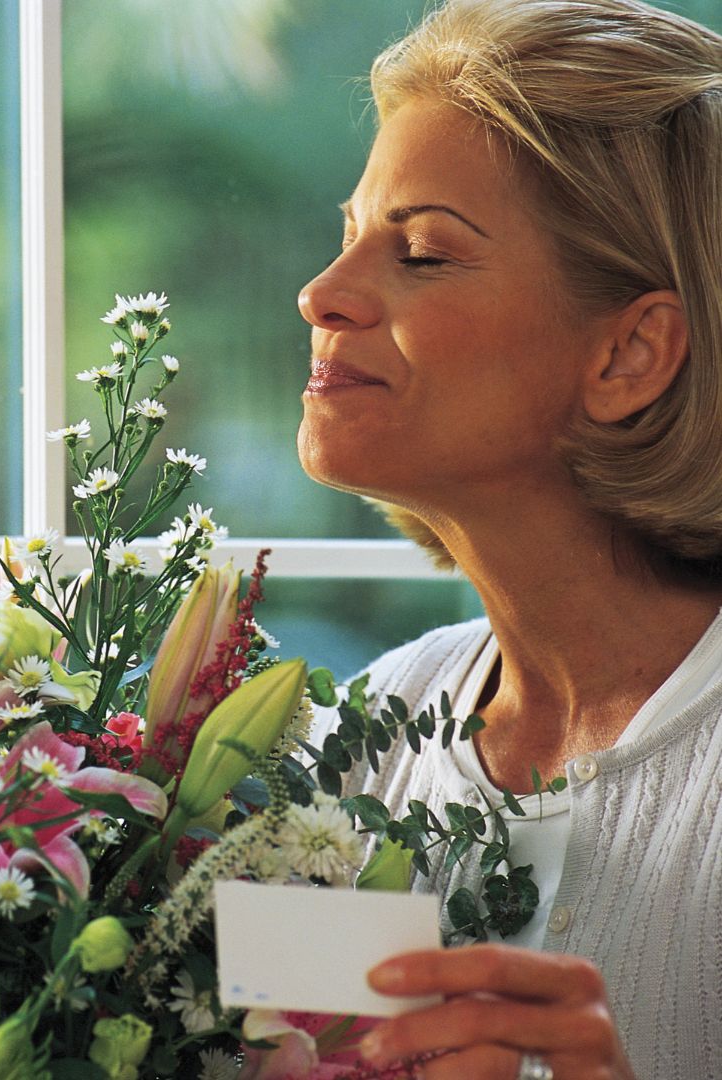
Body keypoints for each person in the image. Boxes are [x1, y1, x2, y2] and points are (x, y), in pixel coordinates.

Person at [296, 0, 722, 1077]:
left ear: (629, 354)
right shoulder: (356, 742)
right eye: (350, 238)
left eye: (424, 254)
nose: (321, 295)